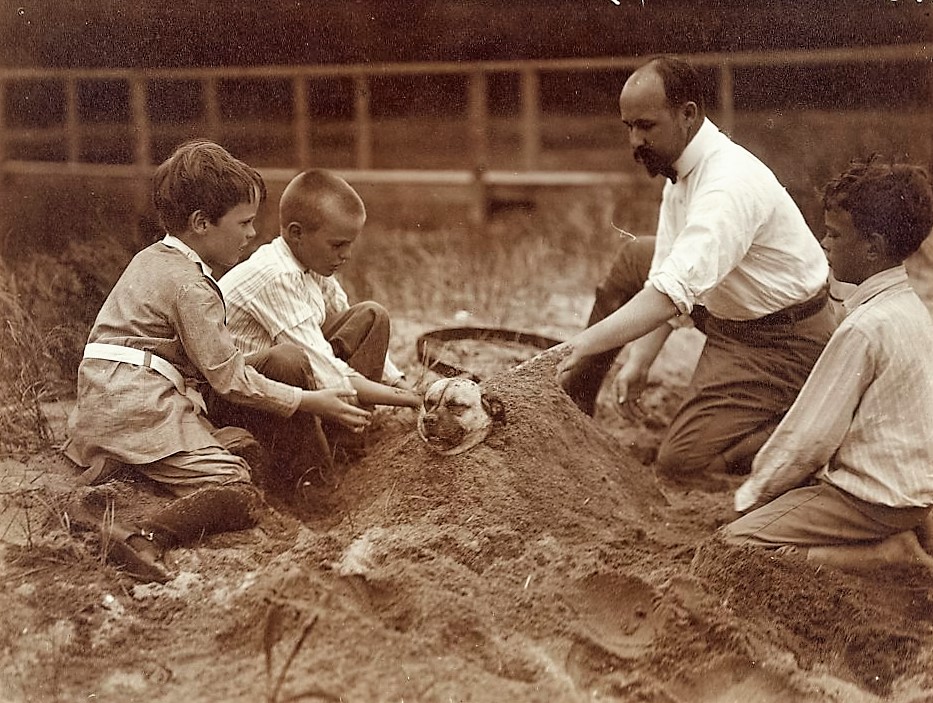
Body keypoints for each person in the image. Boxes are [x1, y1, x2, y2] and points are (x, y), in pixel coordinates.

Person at [63, 140, 370, 583]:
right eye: (244, 223)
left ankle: (135, 467)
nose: (251, 234)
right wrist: (309, 400)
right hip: (138, 407)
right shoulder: (192, 287)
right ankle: (143, 535)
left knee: (268, 391)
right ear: (201, 223)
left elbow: (221, 363)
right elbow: (232, 382)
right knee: (237, 488)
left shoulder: (153, 260)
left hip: (113, 398)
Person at [557, 56, 836, 480]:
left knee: (681, 462)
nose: (634, 141)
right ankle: (574, 411)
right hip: (732, 313)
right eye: (628, 127)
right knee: (636, 256)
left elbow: (671, 294)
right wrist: (640, 362)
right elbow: (666, 273)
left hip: (782, 339)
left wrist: (580, 345)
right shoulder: (682, 168)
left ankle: (821, 426)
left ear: (687, 114)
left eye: (646, 126)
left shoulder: (726, 183)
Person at [722, 157, 933, 572]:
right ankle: (900, 535)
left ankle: (885, 554)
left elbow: (807, 440)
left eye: (835, 234)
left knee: (735, 546)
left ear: (872, 247)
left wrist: (752, 498)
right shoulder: (913, 311)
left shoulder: (863, 328)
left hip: (868, 500)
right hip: (911, 493)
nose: (824, 243)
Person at [217, 168, 422, 463]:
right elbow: (323, 368)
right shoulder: (276, 276)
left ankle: (345, 439)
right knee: (290, 359)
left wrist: (401, 384)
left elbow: (344, 318)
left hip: (293, 385)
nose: (346, 254)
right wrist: (411, 400)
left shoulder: (311, 263)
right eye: (338, 244)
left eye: (350, 244)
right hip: (243, 398)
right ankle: (313, 470)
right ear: (296, 233)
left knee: (371, 316)